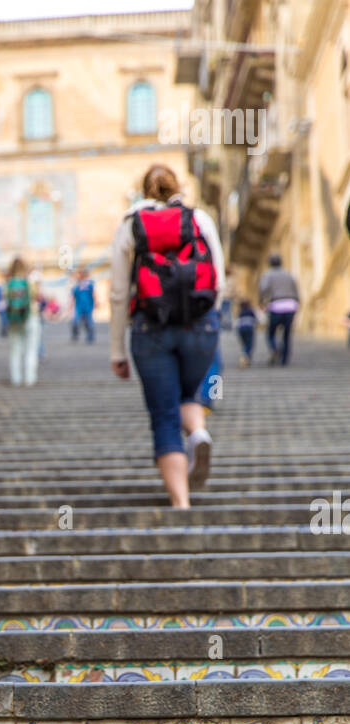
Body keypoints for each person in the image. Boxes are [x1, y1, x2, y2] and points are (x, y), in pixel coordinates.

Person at [109, 164, 225, 509]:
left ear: (143, 191)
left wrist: (117, 350)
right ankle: (199, 432)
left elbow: (118, 293)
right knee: (187, 391)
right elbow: (217, 280)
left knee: (164, 415)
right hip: (201, 327)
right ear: (178, 187)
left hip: (151, 329)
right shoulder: (200, 219)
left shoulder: (130, 225)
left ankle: (182, 503)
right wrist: (207, 317)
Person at [5, 257, 41, 386]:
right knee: (31, 348)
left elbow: (5, 301)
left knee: (15, 349)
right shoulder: (29, 282)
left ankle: (16, 378)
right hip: (30, 317)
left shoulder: (8, 283)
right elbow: (36, 296)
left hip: (14, 319)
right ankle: (30, 378)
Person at [258, 253, 299, 366]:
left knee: (271, 332)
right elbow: (296, 290)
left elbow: (263, 289)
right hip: (290, 305)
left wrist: (261, 302)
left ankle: (274, 347)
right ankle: (285, 359)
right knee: (287, 334)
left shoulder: (268, 274)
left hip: (276, 305)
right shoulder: (289, 274)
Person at [71, 268, 95, 342]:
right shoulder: (77, 285)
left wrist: (96, 302)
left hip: (88, 306)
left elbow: (93, 294)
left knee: (88, 321)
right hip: (79, 306)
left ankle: (90, 336)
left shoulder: (89, 284)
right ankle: (75, 334)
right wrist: (71, 304)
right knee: (75, 321)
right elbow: (74, 295)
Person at [236, 299, 258, 366]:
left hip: (241, 329)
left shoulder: (240, 312)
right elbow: (255, 320)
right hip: (249, 328)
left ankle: (245, 356)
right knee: (249, 344)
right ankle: (246, 356)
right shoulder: (251, 311)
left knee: (244, 343)